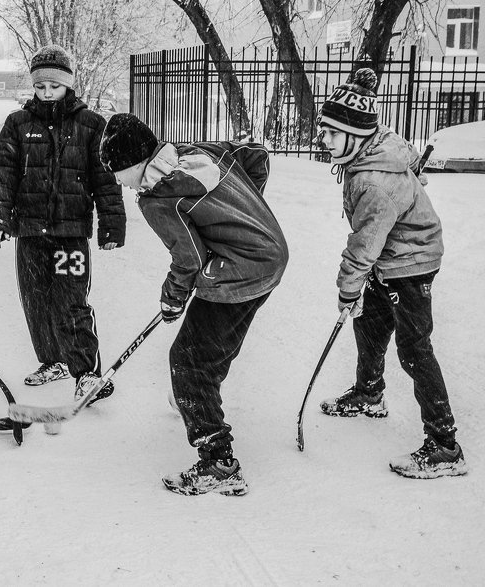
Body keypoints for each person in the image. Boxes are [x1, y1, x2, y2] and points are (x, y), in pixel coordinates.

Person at [99, 113, 288, 497]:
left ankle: (219, 462)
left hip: (236, 271)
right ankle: (194, 398)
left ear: (136, 164)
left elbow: (188, 258)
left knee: (188, 359)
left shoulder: (158, 198)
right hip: (270, 257)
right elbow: (256, 156)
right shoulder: (198, 152)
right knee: (214, 344)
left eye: (116, 171)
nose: (115, 180)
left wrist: (172, 300)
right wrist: (241, 214)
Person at [315, 68, 467, 479]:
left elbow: (364, 244)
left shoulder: (373, 181)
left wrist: (347, 290)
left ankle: (444, 446)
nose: (323, 140)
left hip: (410, 260)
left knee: (414, 348)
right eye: (323, 130)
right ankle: (368, 394)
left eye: (331, 132)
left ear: (354, 133)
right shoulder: (370, 152)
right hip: (391, 253)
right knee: (370, 321)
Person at [0, 44, 125, 404]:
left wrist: (111, 225)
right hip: (29, 231)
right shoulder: (18, 124)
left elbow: (105, 180)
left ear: (68, 85)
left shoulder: (91, 125)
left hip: (70, 234)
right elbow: (2, 174)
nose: (46, 93)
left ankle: (87, 373)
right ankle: (52, 361)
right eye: (40, 86)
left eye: (54, 87)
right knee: (35, 300)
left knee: (70, 301)